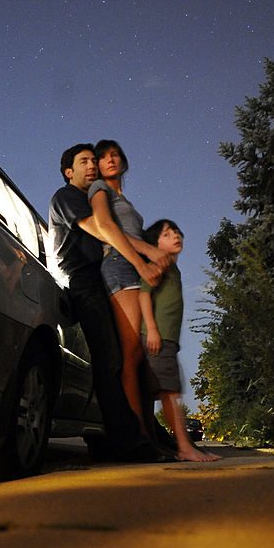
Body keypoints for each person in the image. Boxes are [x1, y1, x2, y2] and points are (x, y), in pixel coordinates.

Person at [49, 144, 172, 463]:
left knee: (131, 359)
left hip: (103, 281)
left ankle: (140, 434)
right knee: (111, 361)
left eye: (94, 161)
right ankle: (128, 442)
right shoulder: (67, 197)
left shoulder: (95, 199)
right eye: (83, 162)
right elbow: (103, 231)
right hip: (83, 282)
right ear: (69, 172)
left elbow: (112, 230)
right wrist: (146, 254)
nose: (92, 166)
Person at [88, 139, 171, 435]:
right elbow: (107, 229)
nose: (110, 160)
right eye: (104, 156)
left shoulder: (126, 200)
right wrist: (144, 259)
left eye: (115, 155)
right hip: (120, 266)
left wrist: (156, 256)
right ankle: (137, 435)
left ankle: (148, 431)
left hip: (137, 268)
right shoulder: (99, 189)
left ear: (123, 161)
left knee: (146, 356)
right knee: (132, 352)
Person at [139, 219, 221, 462]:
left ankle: (178, 445)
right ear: (155, 243)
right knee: (170, 392)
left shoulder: (174, 269)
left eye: (176, 231)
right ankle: (185, 447)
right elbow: (144, 295)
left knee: (166, 391)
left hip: (168, 340)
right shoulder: (160, 264)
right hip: (158, 338)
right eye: (167, 233)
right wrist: (152, 329)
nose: (175, 235)